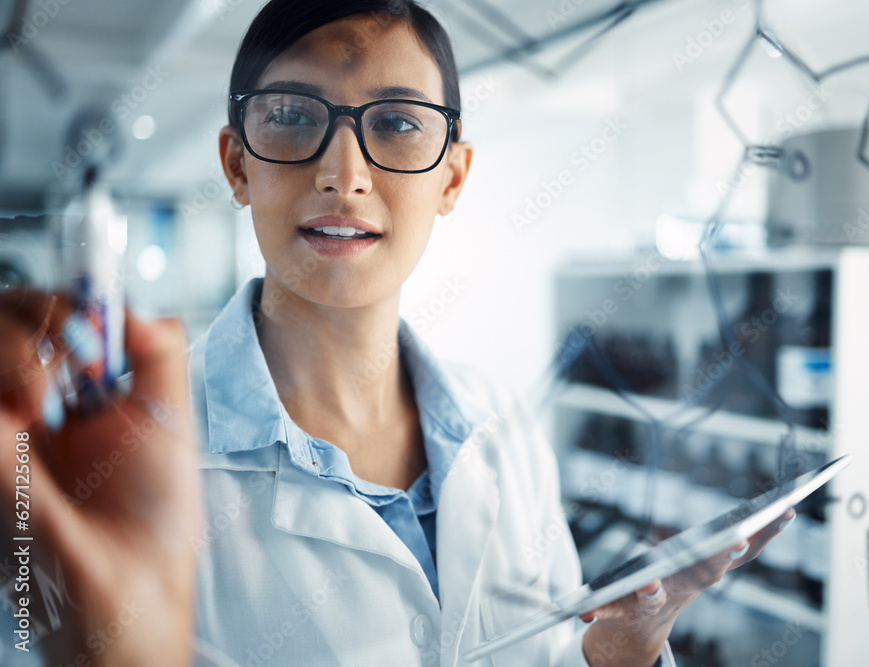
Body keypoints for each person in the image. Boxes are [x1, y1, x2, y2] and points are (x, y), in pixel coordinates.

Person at [0, 1, 792, 664]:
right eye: (288, 117)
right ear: (236, 165)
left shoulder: (501, 426)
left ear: (452, 176)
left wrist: (615, 653)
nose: (343, 172)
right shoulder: (122, 461)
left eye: (398, 125)